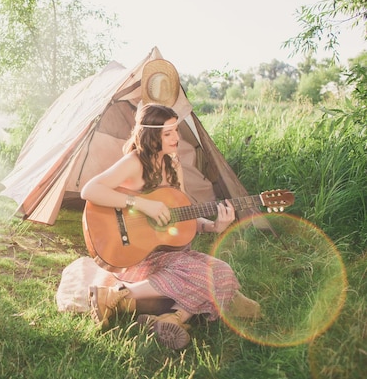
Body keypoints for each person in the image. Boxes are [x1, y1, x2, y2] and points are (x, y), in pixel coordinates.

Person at [81, 60, 260, 350]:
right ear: (152, 137)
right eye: (169, 133)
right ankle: (118, 295)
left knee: (223, 271)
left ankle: (171, 318)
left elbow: (179, 219)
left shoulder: (173, 166)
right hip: (135, 254)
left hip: (167, 253)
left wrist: (214, 226)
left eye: (176, 130)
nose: (176, 138)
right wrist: (142, 205)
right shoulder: (134, 162)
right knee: (196, 274)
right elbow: (91, 190)